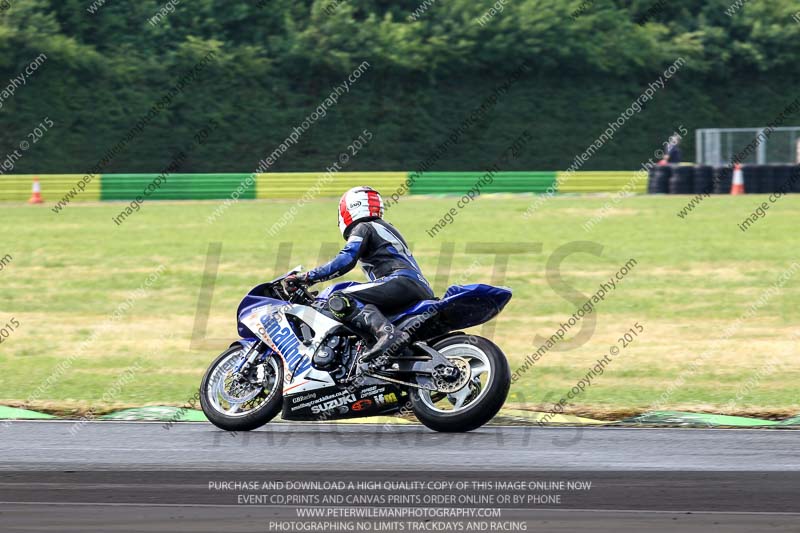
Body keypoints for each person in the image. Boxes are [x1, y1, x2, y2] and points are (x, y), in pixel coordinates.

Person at [286, 186, 434, 362]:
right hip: (415, 286)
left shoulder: (364, 227)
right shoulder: (383, 227)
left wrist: (308, 277)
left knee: (340, 298)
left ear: (350, 208)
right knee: (360, 301)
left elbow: (345, 259)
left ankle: (388, 335)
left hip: (400, 280)